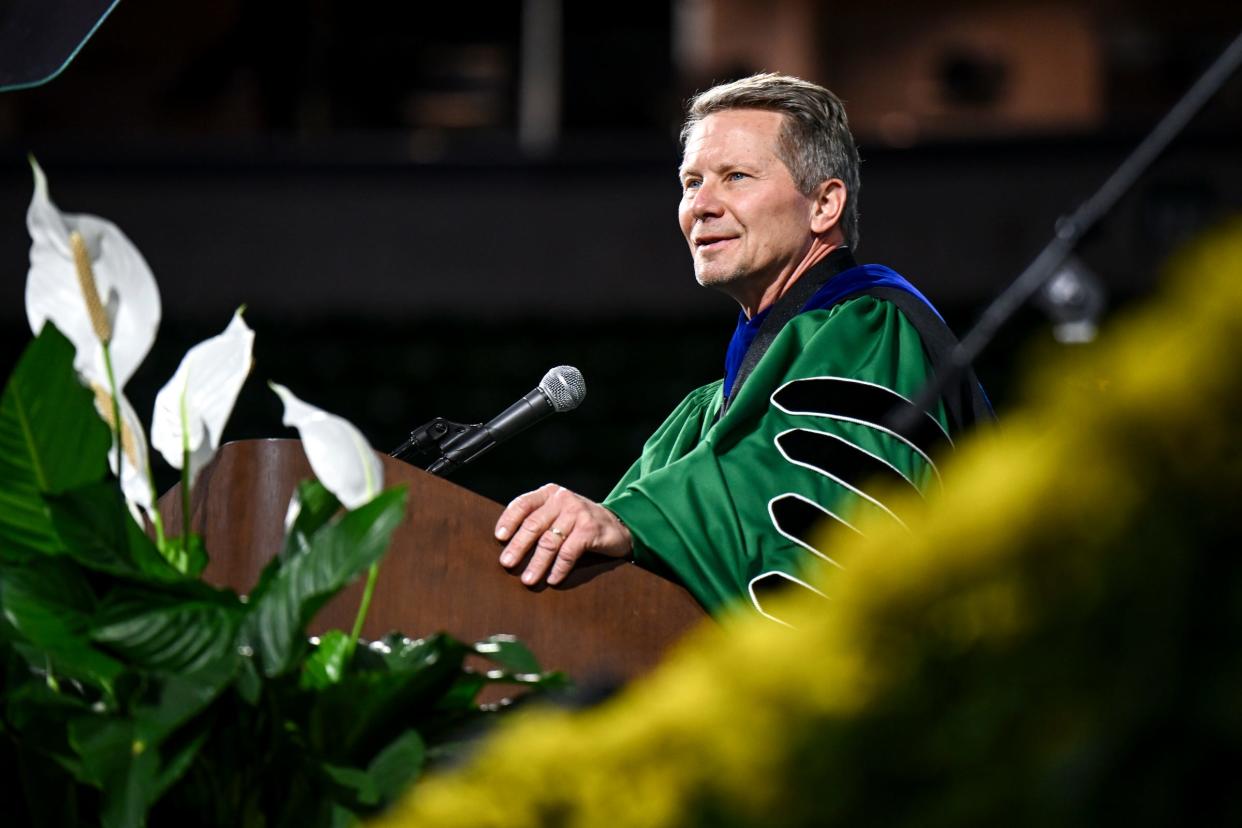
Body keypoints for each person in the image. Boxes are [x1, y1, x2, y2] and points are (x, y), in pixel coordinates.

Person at [494, 73, 988, 622]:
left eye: (735, 177)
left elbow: (821, 505)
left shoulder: (872, 332)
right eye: (690, 183)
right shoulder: (706, 418)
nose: (700, 205)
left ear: (824, 204)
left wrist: (641, 521)